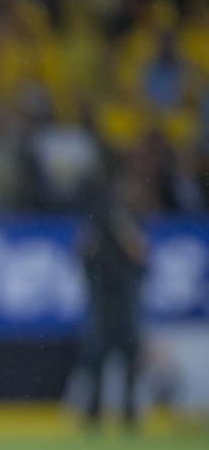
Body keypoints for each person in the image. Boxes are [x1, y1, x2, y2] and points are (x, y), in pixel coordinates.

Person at [78, 174, 148, 430]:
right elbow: (83, 253)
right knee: (97, 359)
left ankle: (129, 412)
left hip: (124, 301)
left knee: (128, 360)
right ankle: (93, 413)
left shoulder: (132, 222)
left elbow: (140, 257)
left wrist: (127, 234)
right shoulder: (98, 220)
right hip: (105, 301)